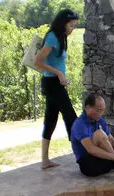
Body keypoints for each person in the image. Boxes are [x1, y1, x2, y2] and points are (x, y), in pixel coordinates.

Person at [34, 9, 79, 169]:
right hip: (52, 83)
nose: (72, 29)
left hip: (54, 83)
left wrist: (62, 76)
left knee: (51, 120)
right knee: (71, 117)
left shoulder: (60, 37)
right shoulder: (53, 36)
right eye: (72, 26)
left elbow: (53, 61)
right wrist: (59, 73)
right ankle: (84, 155)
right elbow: (37, 61)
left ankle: (45, 160)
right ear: (64, 23)